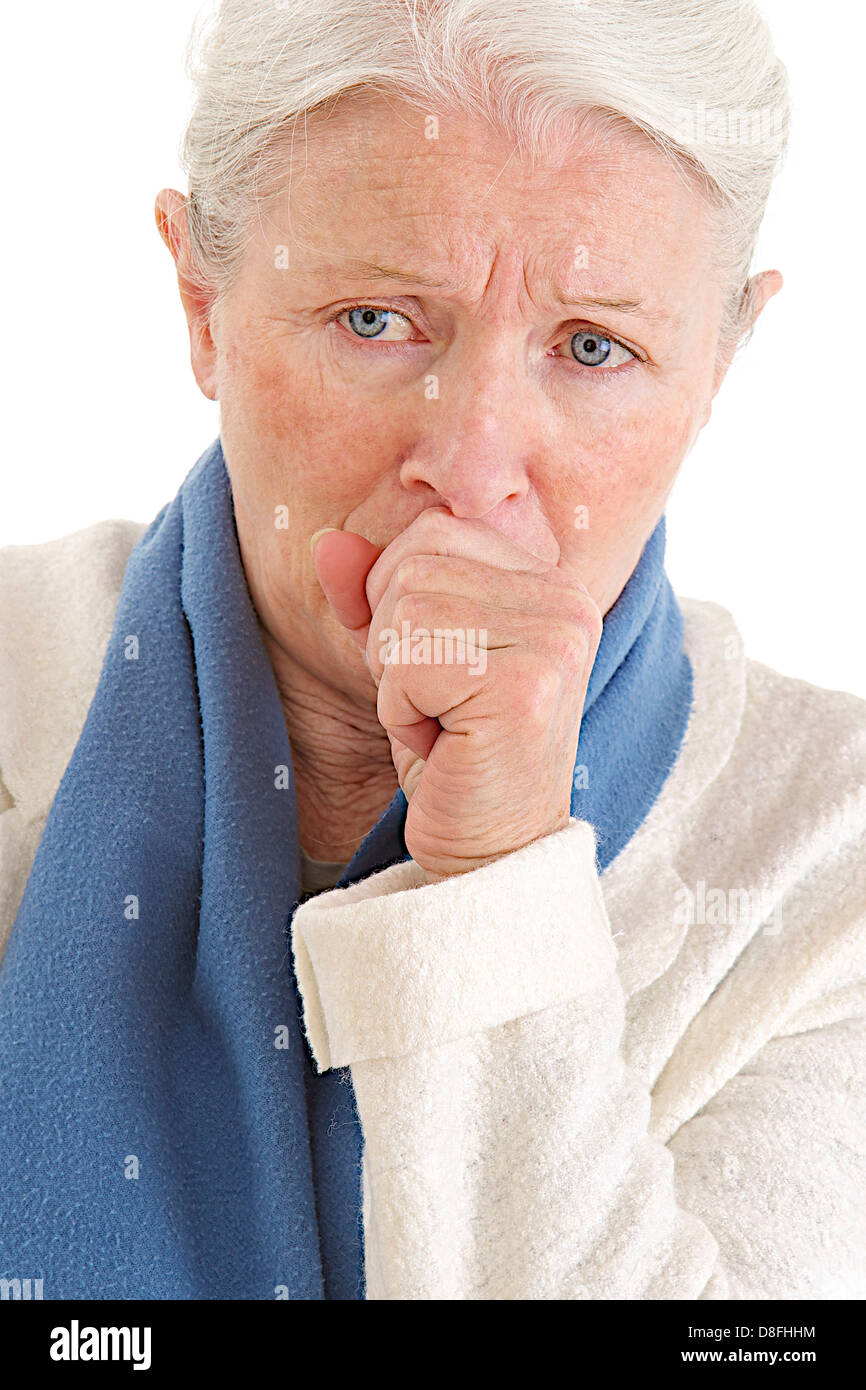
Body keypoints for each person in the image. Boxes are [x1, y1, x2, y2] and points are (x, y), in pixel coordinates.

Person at [1, 0, 864, 1300]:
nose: (467, 467)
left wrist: (497, 873)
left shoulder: (829, 867)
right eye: (373, 320)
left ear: (715, 373)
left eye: (592, 346)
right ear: (200, 305)